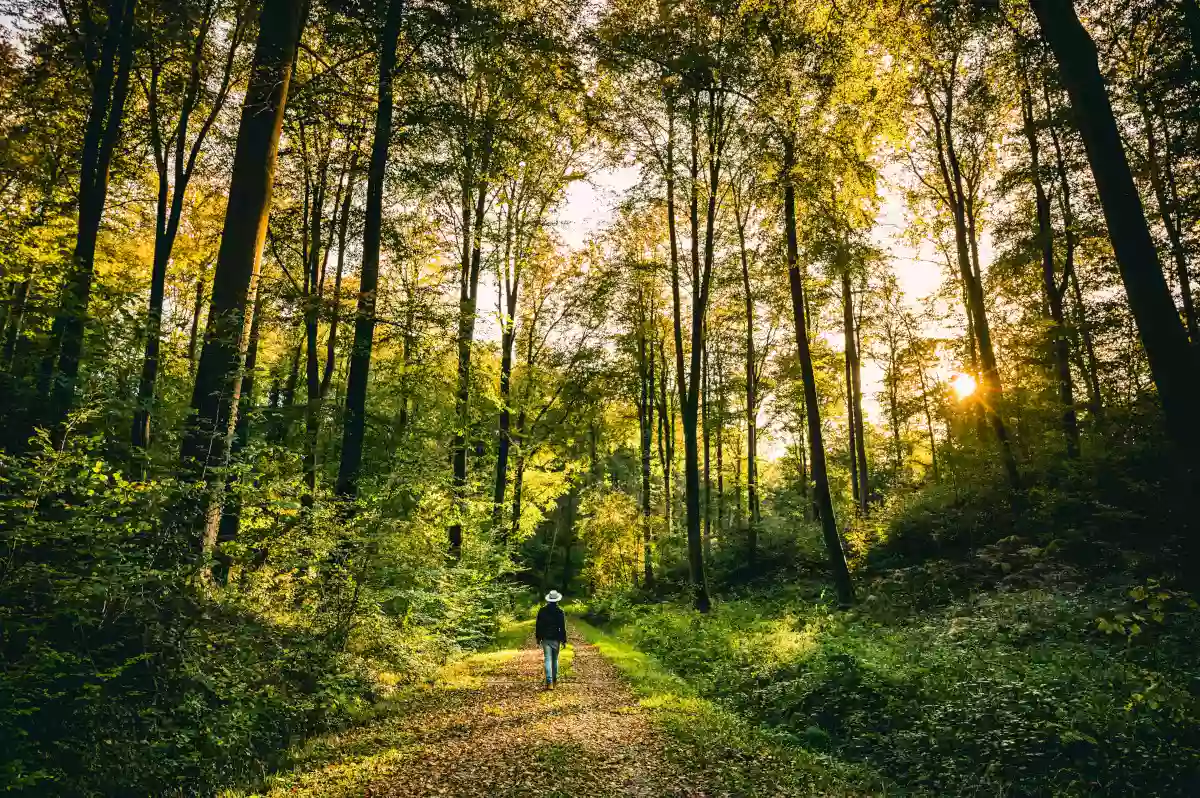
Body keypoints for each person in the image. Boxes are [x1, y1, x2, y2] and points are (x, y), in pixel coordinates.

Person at [534, 590, 568, 689]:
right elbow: (562, 627)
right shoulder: (560, 611)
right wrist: (563, 640)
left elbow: (538, 626)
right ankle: (554, 679)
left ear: (548, 600)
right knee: (555, 659)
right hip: (556, 638)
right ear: (557, 600)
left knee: (547, 659)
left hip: (545, 638)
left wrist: (538, 638)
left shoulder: (542, 611)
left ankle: (549, 682)